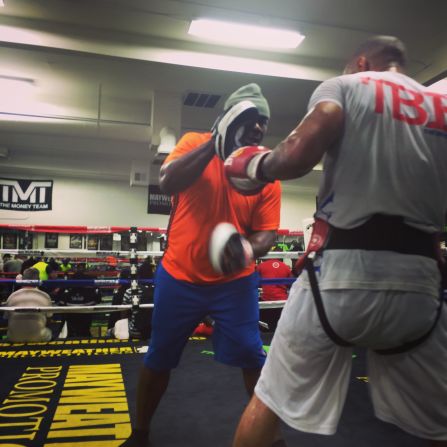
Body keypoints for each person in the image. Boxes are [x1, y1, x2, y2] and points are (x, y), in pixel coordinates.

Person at [228, 36, 447, 447]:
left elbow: (297, 154)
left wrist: (252, 164)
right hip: (421, 288)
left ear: (362, 62)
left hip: (340, 279)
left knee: (268, 401)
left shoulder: (346, 86)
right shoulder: (442, 106)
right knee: (440, 425)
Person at [120, 83, 282, 447]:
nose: (259, 127)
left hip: (234, 282)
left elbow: (267, 233)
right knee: (160, 356)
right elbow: (168, 180)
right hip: (180, 275)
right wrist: (215, 142)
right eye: (251, 118)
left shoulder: (264, 168)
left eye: (264, 121)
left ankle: (271, 438)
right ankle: (140, 434)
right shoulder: (194, 143)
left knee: (252, 356)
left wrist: (245, 250)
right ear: (227, 117)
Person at [4, 267, 53, 342]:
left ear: (23, 279)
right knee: (49, 331)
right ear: (38, 280)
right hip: (38, 337)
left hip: (14, 337)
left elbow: (6, 317)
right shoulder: (44, 296)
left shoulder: (12, 296)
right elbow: (49, 318)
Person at [57, 263, 102, 337]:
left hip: (73, 313)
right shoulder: (90, 280)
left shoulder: (70, 280)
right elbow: (98, 299)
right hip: (85, 312)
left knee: (73, 330)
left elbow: (60, 300)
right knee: (83, 330)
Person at [257, 258, 293, 332]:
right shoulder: (285, 267)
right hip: (282, 302)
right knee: (280, 327)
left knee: (267, 327)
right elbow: (290, 284)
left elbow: (255, 282)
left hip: (266, 301)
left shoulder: (261, 266)